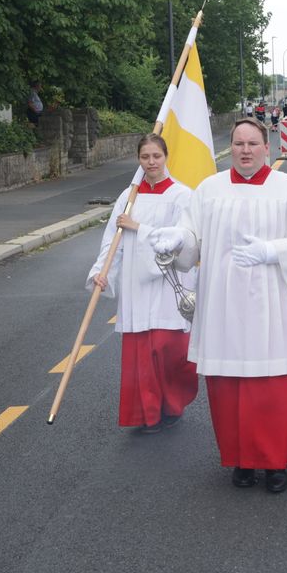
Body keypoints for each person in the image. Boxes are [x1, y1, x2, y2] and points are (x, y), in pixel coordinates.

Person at [149, 118, 287, 493]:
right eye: (239, 143)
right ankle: (240, 459)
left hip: (275, 304)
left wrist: (271, 251)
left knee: (273, 387)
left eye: (253, 143)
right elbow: (192, 238)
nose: (245, 150)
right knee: (230, 386)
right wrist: (176, 239)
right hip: (224, 304)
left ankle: (275, 463)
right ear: (231, 147)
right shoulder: (209, 190)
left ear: (266, 147)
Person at [86, 135, 197, 433]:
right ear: (139, 159)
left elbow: (182, 243)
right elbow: (113, 241)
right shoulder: (128, 197)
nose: (151, 162)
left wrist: (140, 227)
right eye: (145, 157)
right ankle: (147, 413)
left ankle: (172, 403)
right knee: (141, 354)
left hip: (168, 285)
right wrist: (103, 272)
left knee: (168, 348)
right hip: (137, 283)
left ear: (166, 156)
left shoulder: (182, 196)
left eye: (156, 156)